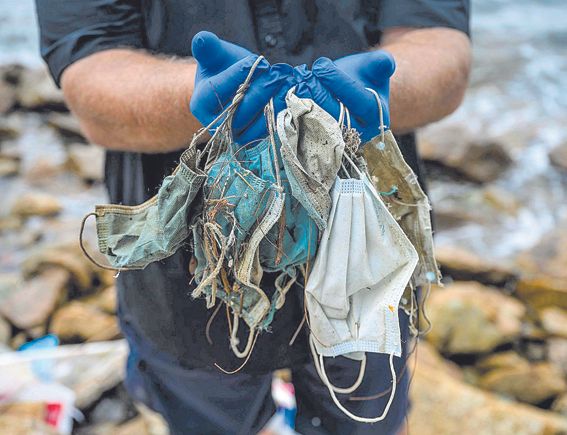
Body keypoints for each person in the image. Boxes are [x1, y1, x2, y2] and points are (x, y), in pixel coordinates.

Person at [35, 1, 470, 434]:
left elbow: (438, 43)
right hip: (189, 282)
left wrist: (391, 89)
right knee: (207, 417)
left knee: (367, 418)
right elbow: (91, 70)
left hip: (370, 259)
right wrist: (191, 98)